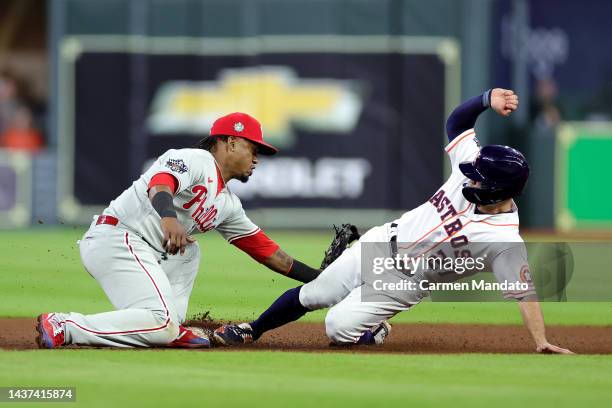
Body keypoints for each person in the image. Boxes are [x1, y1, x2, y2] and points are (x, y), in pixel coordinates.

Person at [213, 89, 574, 354]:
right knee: (315, 293)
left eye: (478, 178)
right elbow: (456, 123)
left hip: (405, 281)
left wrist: (540, 340)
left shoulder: (504, 241)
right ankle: (252, 330)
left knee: (336, 327)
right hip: (383, 241)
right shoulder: (473, 168)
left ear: (498, 190)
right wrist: (486, 99)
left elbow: (524, 293)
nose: (470, 178)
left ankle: (374, 327)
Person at [35, 112, 321, 348]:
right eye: (253, 148)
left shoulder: (228, 205)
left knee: (188, 254)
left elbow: (273, 256)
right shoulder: (196, 160)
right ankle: (66, 324)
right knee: (160, 322)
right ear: (231, 142)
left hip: (147, 250)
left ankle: (169, 329)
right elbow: (160, 183)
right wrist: (168, 217)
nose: (256, 158)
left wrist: (326, 279)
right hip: (118, 237)